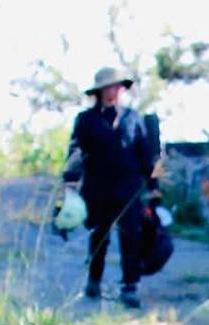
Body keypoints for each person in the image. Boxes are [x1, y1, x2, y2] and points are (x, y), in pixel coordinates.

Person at [62, 66, 159, 309]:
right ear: (99, 91)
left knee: (131, 237)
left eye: (116, 87)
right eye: (107, 87)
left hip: (129, 188)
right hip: (98, 188)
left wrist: (154, 188)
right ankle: (93, 282)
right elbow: (75, 153)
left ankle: (130, 287)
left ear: (121, 89)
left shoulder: (133, 118)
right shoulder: (86, 120)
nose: (112, 91)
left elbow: (146, 155)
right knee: (99, 236)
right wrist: (70, 185)